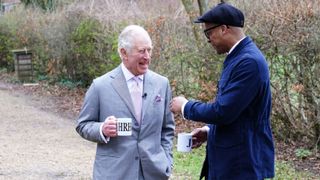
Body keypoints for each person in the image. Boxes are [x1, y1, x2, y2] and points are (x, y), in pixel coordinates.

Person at [170, 2, 275, 180]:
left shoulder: (249, 62)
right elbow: (237, 111)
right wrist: (209, 131)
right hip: (231, 163)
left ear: (224, 28)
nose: (208, 39)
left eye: (209, 32)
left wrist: (185, 107)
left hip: (241, 166)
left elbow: (223, 111)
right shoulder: (238, 58)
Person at [76, 25, 175, 180]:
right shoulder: (100, 86)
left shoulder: (162, 84)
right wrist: (102, 129)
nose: (147, 56)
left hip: (153, 173)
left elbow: (167, 128)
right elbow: (83, 125)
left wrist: (166, 160)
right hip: (115, 173)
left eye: (149, 50)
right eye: (142, 51)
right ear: (124, 53)